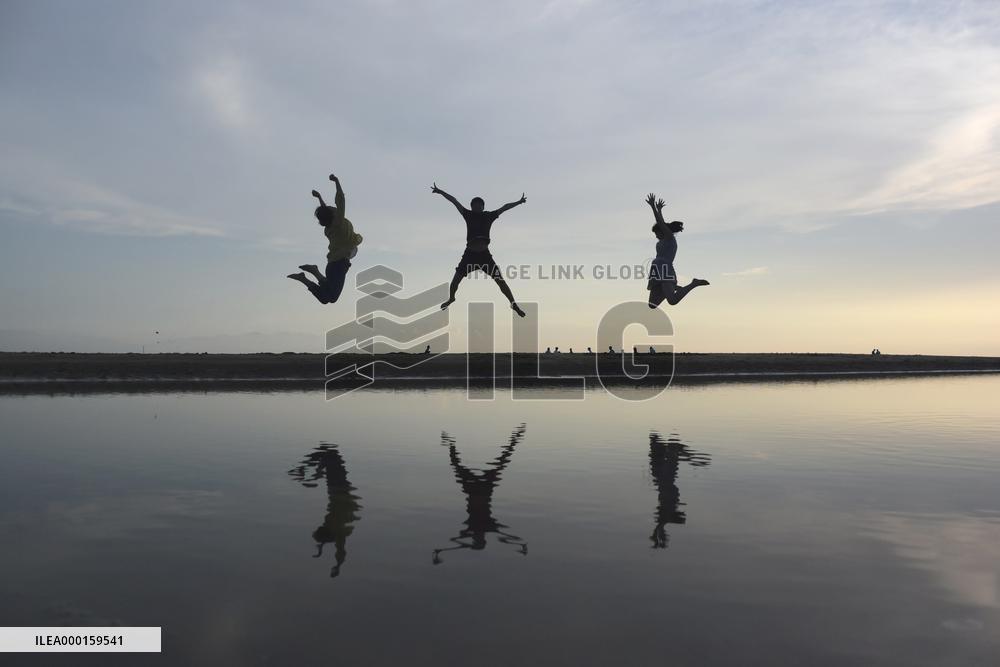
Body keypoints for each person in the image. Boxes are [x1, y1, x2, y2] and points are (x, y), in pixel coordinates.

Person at [432, 183, 528, 317]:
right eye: (474, 206)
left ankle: (513, 304)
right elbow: (454, 201)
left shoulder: (489, 216)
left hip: (484, 256)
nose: (476, 207)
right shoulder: (468, 214)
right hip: (469, 255)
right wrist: (440, 191)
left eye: (479, 205)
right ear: (472, 207)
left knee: (500, 281)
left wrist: (519, 202)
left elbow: (505, 207)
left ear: (483, 207)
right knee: (455, 281)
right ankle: (451, 298)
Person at [287, 173, 363, 304]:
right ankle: (312, 273)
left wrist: (319, 198)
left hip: (333, 264)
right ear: (332, 215)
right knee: (330, 297)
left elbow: (326, 210)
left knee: (326, 297)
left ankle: (308, 276)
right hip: (339, 264)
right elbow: (340, 199)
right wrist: (336, 181)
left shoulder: (328, 230)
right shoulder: (338, 222)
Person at [645, 193, 709, 308]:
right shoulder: (663, 240)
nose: (656, 236)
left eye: (656, 233)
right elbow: (662, 223)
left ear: (662, 231)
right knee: (652, 305)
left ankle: (693, 284)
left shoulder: (670, 239)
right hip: (657, 270)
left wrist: (653, 207)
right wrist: (660, 210)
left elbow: (660, 223)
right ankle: (672, 287)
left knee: (672, 300)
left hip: (665, 271)